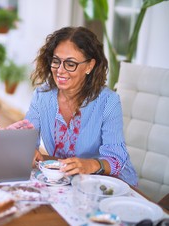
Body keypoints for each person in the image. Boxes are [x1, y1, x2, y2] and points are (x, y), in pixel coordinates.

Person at [25, 26, 138, 187]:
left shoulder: (108, 102)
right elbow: (27, 139)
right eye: (56, 61)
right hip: (65, 182)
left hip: (109, 185)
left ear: (89, 66)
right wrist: (27, 151)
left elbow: (116, 160)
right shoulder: (41, 96)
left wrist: (89, 165)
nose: (60, 70)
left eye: (70, 64)